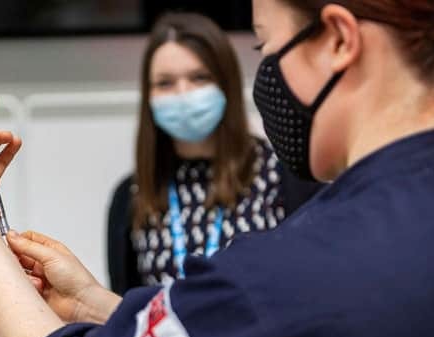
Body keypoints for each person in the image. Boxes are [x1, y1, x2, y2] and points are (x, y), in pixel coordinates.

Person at [0, 0, 434, 337]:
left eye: (269, 47)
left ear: (340, 41)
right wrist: (97, 305)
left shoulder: (286, 269)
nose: (269, 74)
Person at [107, 13, 321, 294]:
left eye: (199, 78)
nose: (183, 94)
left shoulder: (283, 178)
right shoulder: (133, 195)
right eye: (165, 83)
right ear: (148, 96)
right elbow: (122, 314)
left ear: (226, 85)